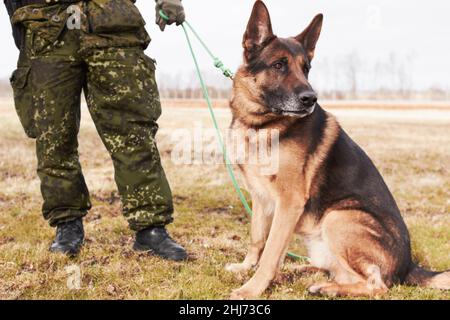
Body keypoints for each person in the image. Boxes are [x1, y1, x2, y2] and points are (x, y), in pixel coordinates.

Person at [4, 0, 187, 261]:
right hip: (46, 25)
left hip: (112, 21)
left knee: (132, 133)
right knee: (53, 136)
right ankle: (67, 225)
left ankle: (151, 229)